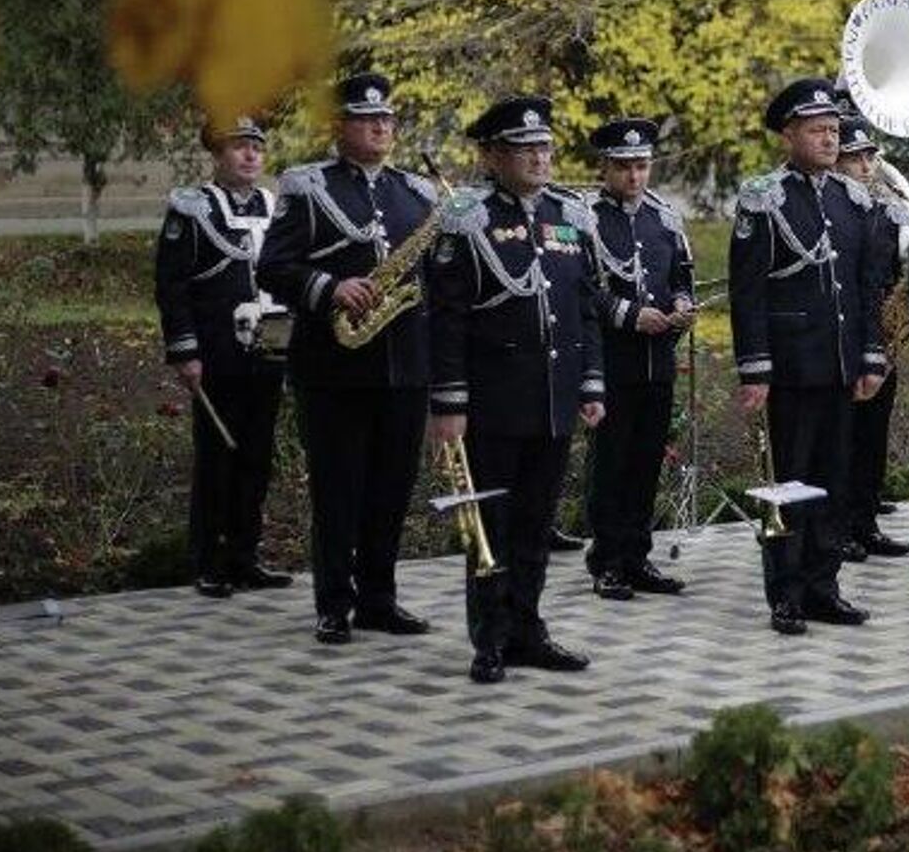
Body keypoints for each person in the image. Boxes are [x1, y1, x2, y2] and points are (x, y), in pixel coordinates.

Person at [428, 96, 607, 684]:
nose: (539, 158)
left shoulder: (571, 215)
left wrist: (590, 382)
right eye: (525, 148)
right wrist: (449, 401)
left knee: (536, 526)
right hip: (493, 400)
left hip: (553, 396)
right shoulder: (466, 217)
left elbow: (586, 311)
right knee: (492, 527)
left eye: (545, 147)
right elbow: (446, 317)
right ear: (494, 155)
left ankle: (529, 629)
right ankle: (490, 638)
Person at [257, 72, 434, 646]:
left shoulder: (417, 194)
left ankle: (379, 599)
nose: (382, 126)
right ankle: (334, 602)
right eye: (367, 118)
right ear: (340, 127)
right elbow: (273, 268)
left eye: (387, 119)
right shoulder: (308, 187)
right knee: (338, 489)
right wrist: (330, 287)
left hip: (403, 364)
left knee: (391, 488)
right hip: (333, 369)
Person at [729, 79, 887, 636]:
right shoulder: (764, 198)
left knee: (834, 483)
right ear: (789, 135)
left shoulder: (854, 200)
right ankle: (786, 592)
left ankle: (825, 586)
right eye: (817, 130)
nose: (829, 138)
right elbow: (747, 292)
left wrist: (871, 358)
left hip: (842, 365)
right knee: (787, 486)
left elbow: (867, 290)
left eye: (833, 130)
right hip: (790, 367)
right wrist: (755, 368)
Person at [153, 116, 290, 599]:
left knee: (256, 454)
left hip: (273, 341)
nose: (251, 155)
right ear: (217, 154)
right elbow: (172, 286)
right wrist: (185, 351)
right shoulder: (192, 209)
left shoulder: (277, 206)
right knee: (218, 454)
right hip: (218, 349)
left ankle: (245, 556)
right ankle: (208, 560)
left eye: (256, 147)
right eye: (239, 147)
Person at [584, 116, 696, 600]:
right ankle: (606, 559)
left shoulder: (664, 217)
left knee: (647, 461)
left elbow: (681, 276)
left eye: (643, 166)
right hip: (611, 360)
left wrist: (683, 306)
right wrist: (630, 315)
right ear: (605, 167)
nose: (635, 177)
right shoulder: (584, 218)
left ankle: (637, 555)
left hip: (658, 361)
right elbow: (580, 289)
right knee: (611, 463)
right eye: (625, 167)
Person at [834, 115, 909, 561]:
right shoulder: (835, 211)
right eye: (855, 158)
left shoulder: (886, 209)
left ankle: (865, 522)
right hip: (844, 338)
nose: (866, 166)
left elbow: (893, 273)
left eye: (869, 157)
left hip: (882, 335)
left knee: (872, 436)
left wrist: (894, 326)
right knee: (843, 437)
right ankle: (838, 525)